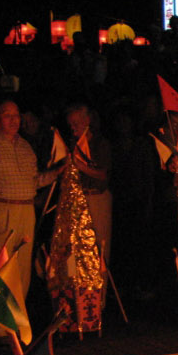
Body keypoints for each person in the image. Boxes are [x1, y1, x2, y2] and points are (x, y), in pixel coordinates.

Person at [0, 100, 59, 302]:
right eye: (7, 115)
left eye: (16, 115)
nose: (13, 120)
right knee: (1, 265)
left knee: (23, 268)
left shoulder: (26, 147)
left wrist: (60, 170)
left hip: (26, 212)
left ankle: (18, 321)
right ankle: (0, 326)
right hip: (1, 211)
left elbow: (35, 182)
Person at [63, 104, 113, 264]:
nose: (73, 127)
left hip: (96, 198)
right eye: (71, 124)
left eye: (76, 123)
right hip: (78, 199)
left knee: (99, 244)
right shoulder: (71, 145)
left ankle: (101, 286)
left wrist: (82, 167)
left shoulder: (100, 144)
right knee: (74, 246)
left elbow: (104, 174)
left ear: (87, 121)